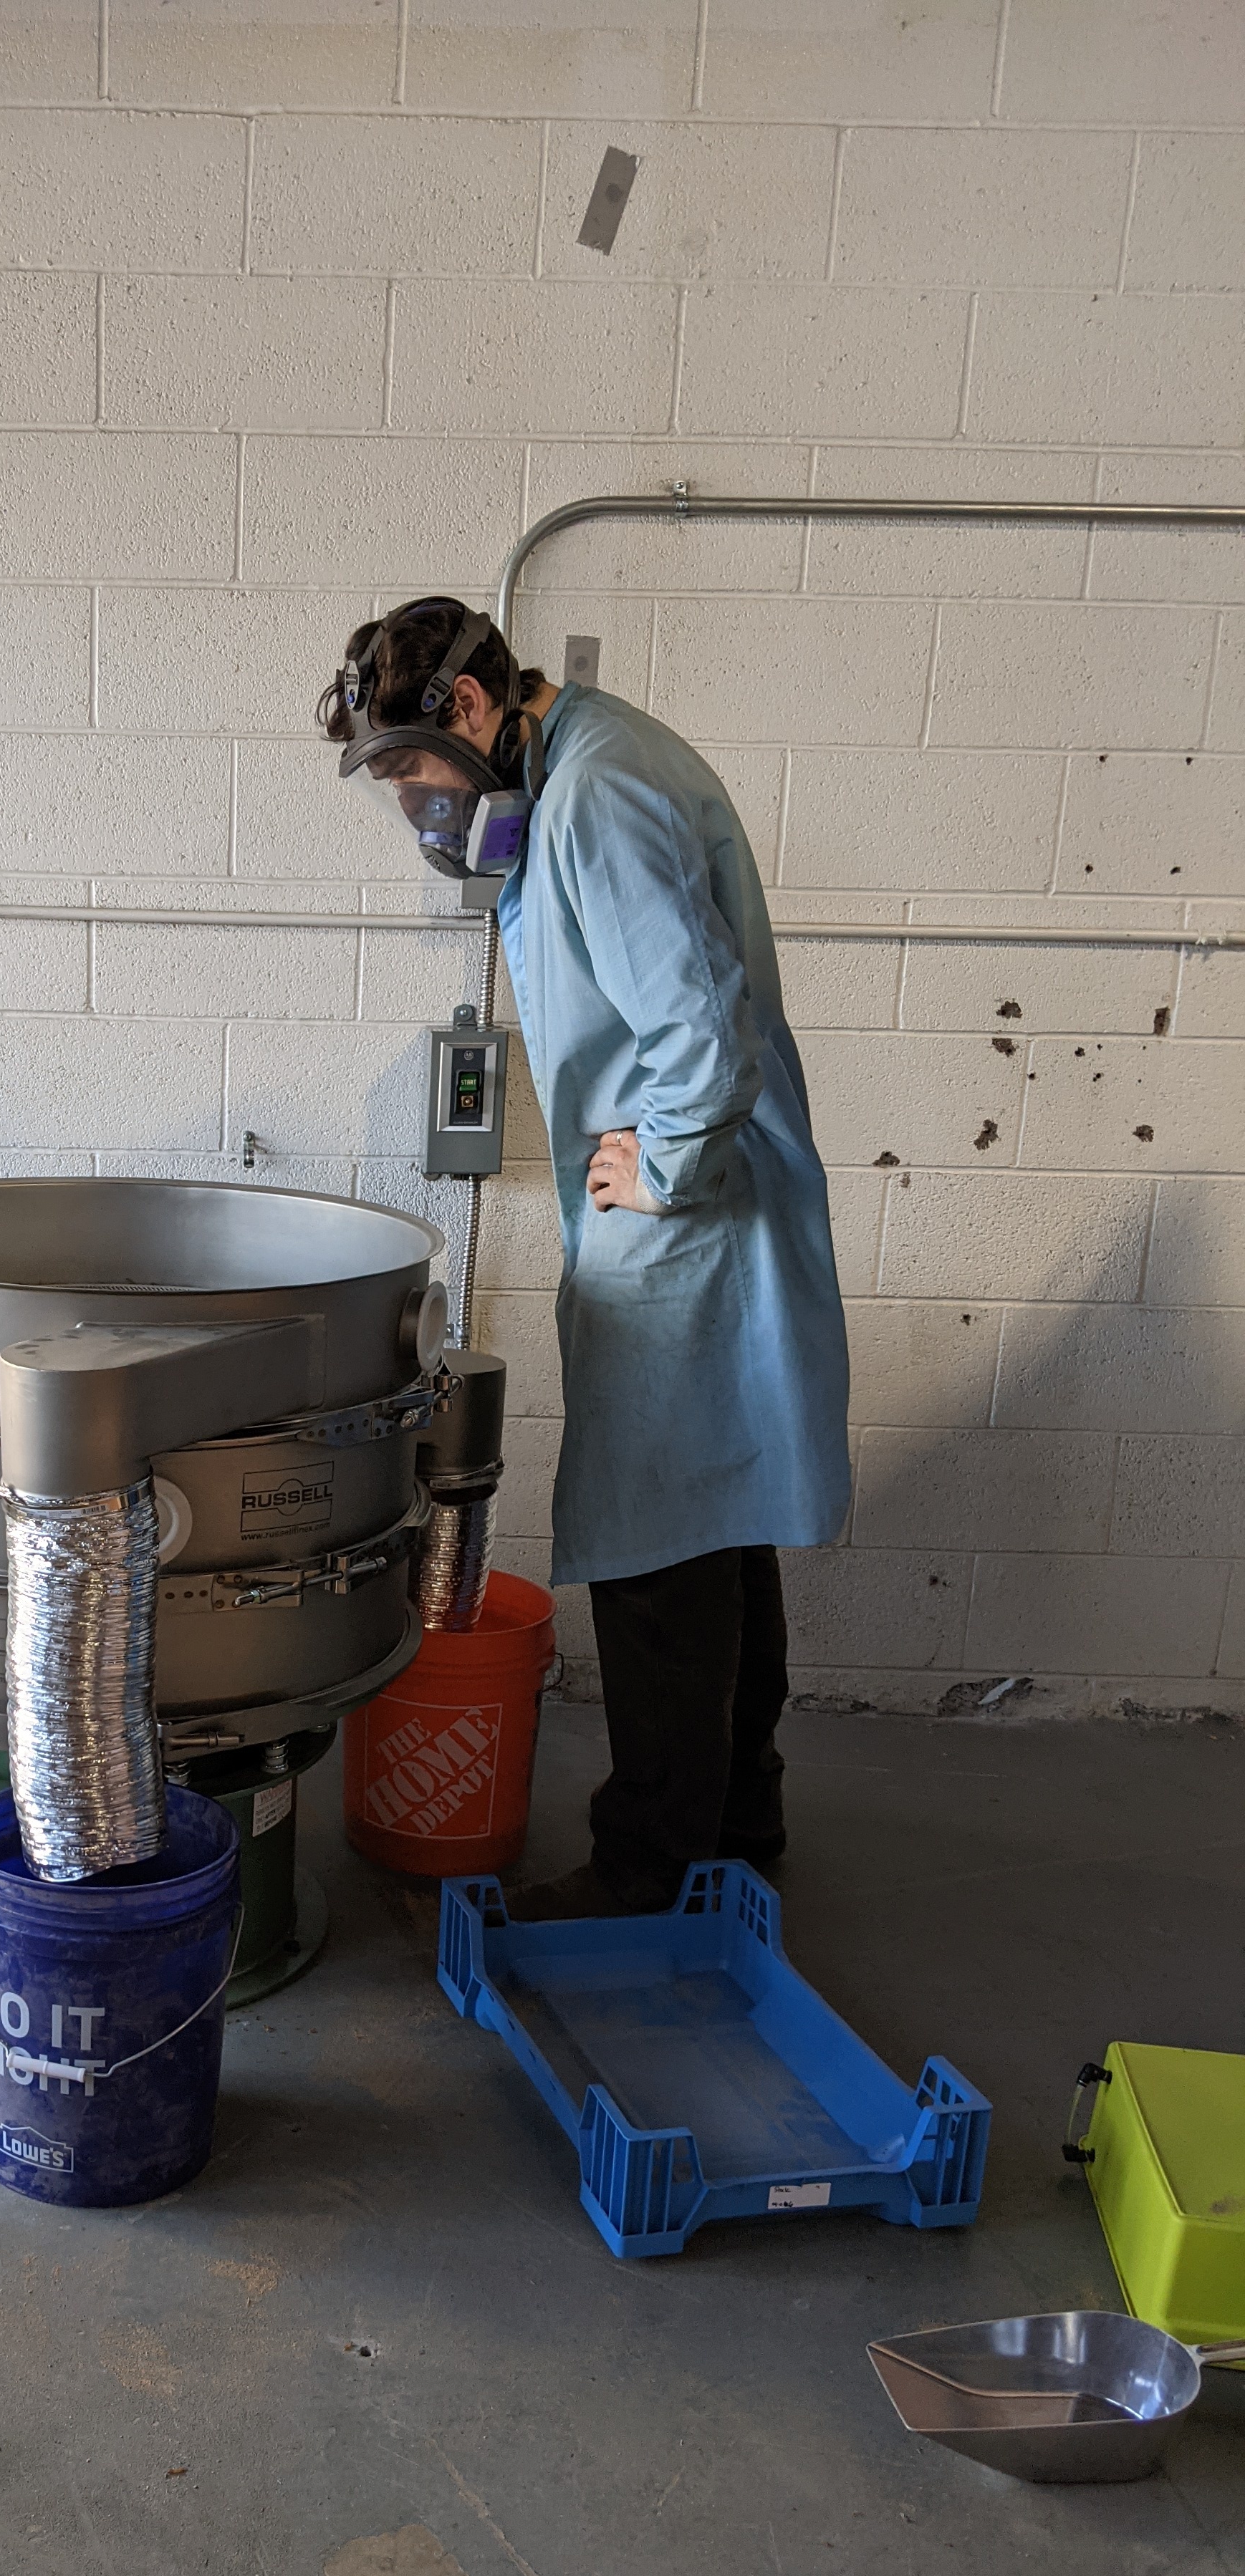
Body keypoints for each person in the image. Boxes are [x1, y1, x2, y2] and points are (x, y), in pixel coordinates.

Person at [321, 599, 850, 1919]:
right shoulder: (580, 765)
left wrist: (659, 1169)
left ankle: (649, 1866)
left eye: (412, 773)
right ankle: (737, 1818)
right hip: (708, 1216)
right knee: (723, 1531)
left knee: (662, 1554)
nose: (417, 807)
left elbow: (701, 1032)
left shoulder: (599, 794)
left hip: (692, 1223)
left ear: (469, 708)